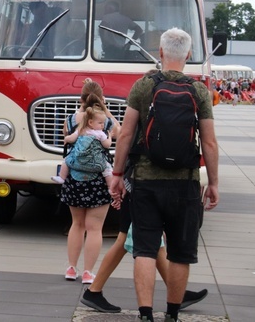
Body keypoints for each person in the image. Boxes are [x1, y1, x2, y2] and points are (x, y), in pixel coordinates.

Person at [109, 28, 219, 322]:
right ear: (189, 55)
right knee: (180, 253)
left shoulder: (143, 86)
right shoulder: (198, 91)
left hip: (146, 180)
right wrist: (214, 183)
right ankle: (172, 314)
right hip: (185, 182)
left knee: (145, 249)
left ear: (160, 53)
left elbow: (126, 134)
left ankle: (145, 315)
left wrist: (117, 174)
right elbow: (208, 141)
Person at [81, 73, 207, 315]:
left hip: (136, 178)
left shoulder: (143, 91)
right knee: (129, 241)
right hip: (139, 182)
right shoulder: (182, 93)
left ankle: (175, 288)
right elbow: (122, 133)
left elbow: (127, 135)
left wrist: (119, 176)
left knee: (146, 243)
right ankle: (94, 291)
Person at [59, 80, 118, 284]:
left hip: (74, 179)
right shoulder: (105, 121)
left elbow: (65, 135)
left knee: (77, 224)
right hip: (97, 181)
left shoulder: (70, 120)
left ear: (81, 99)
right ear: (101, 99)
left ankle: (70, 268)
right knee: (94, 228)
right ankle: (87, 272)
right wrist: (104, 108)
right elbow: (118, 132)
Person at [51, 106, 113, 186]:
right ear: (90, 122)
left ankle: (62, 177)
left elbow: (71, 139)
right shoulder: (100, 133)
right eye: (100, 123)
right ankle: (111, 187)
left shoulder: (81, 130)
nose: (103, 125)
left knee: (66, 160)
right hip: (95, 161)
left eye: (103, 123)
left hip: (78, 159)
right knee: (107, 168)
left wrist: (66, 138)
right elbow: (107, 145)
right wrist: (110, 137)